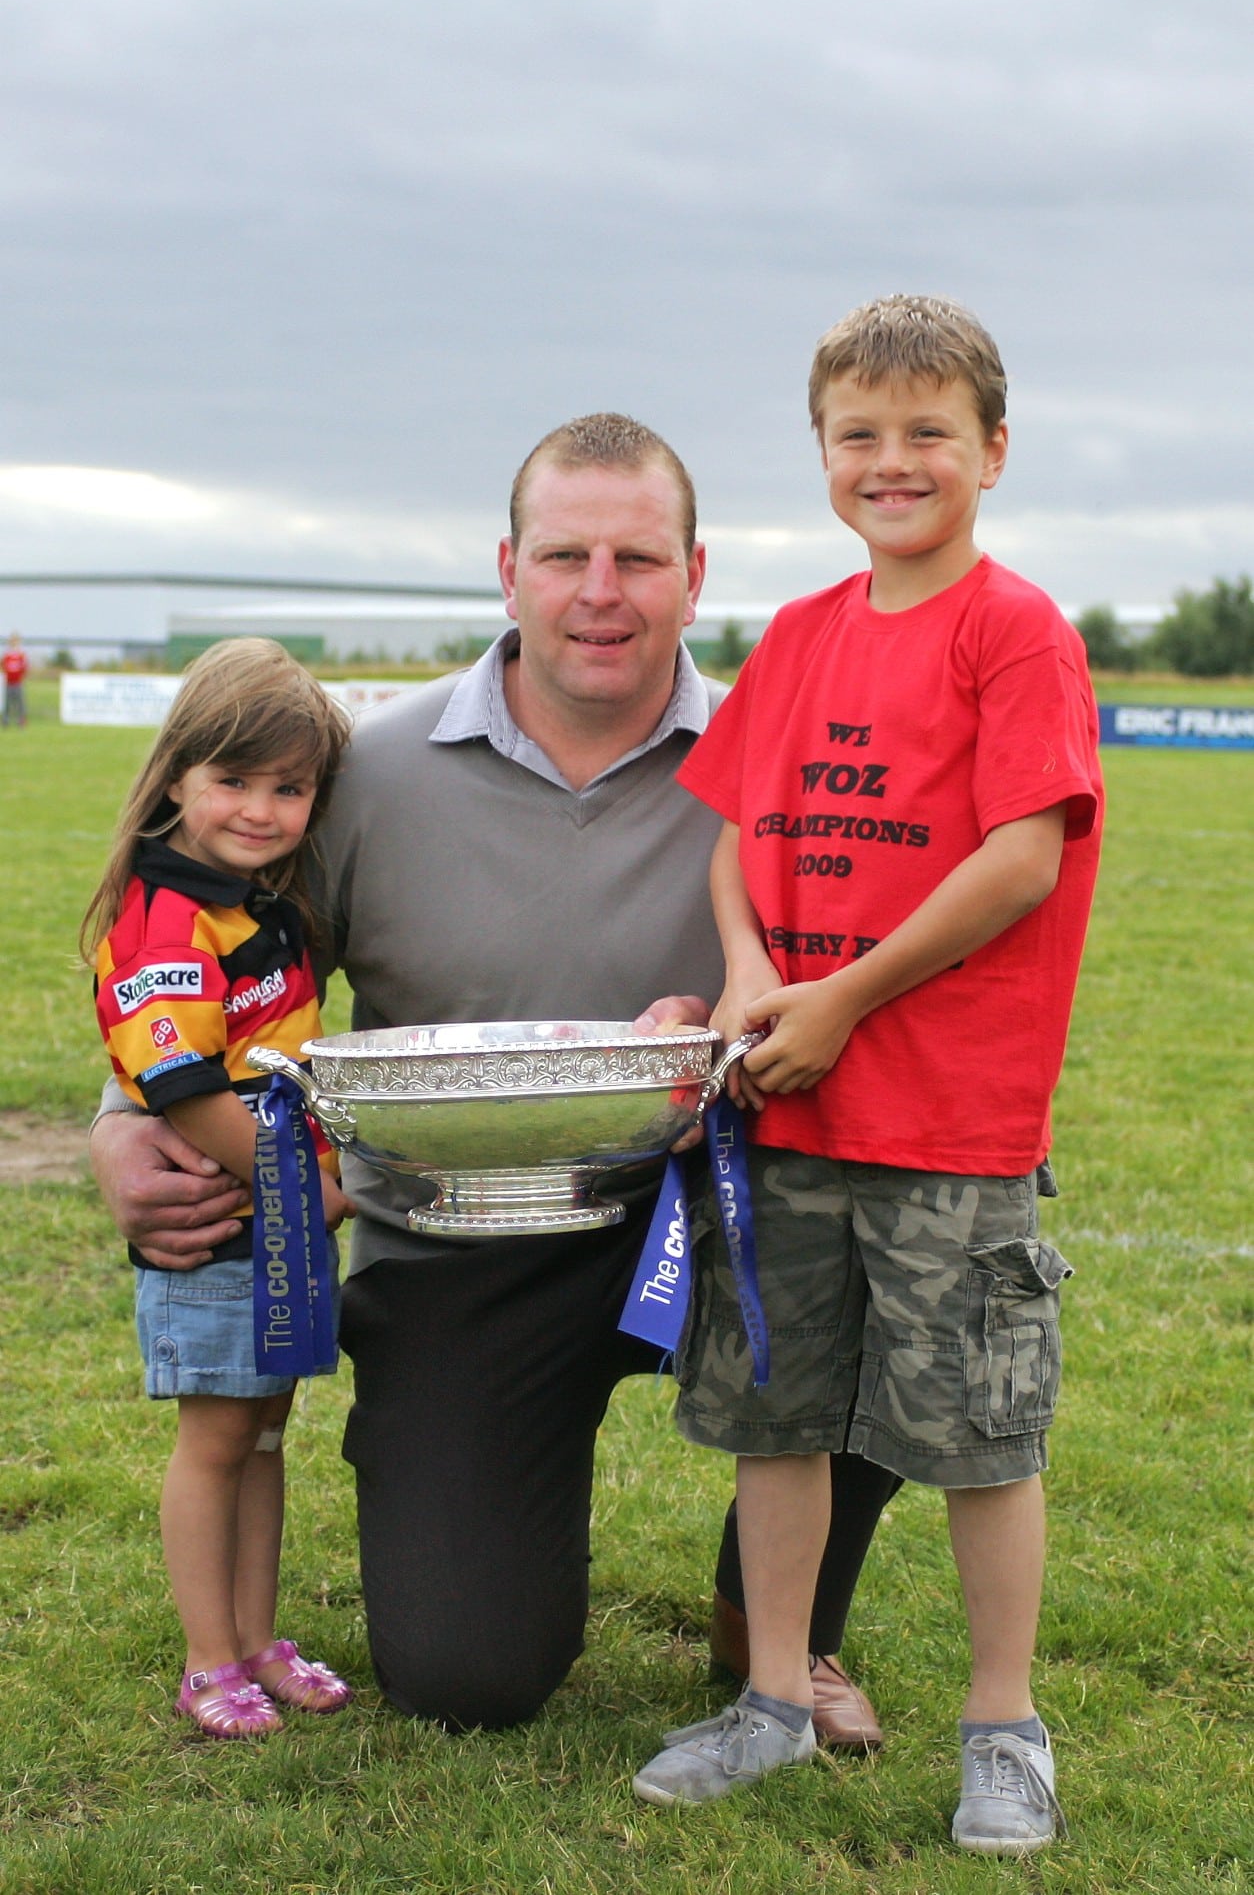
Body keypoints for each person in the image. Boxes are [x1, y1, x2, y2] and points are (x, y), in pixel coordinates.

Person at [90, 415, 900, 1738]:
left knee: (913, 1231)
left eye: (636, 559)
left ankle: (780, 1621)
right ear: (506, 567)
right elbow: (216, 965)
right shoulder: (364, 775)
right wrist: (123, 1128)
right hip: (461, 1235)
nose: (598, 593)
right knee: (470, 1675)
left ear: (695, 576)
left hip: (710, 1213)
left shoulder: (784, 765)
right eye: (565, 554)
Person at [631, 299, 1103, 1857]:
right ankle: (769, 1696)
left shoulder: (1012, 629)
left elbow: (1022, 856)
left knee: (977, 1434)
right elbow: (731, 838)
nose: (891, 462)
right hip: (790, 1108)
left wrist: (844, 996)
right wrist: (762, 975)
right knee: (777, 1417)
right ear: (822, 448)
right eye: (859, 435)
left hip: (948, 1127)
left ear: (991, 452)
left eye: (927, 434)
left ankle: (1002, 1729)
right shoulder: (804, 634)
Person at [82, 638, 356, 1738]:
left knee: (266, 1433)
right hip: (223, 1233)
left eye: (289, 787)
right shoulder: (162, 918)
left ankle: (256, 1636)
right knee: (213, 1442)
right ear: (177, 778)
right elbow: (186, 1091)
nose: (261, 808)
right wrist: (309, 1188)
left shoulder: (259, 904)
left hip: (280, 1228)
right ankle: (208, 1661)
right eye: (234, 780)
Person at [2, 632, 28, 726]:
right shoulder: (7, 655)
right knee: (7, 703)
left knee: (20, 703)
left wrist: (22, 677)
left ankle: (21, 720)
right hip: (8, 682)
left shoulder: (21, 655)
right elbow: (3, 666)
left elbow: (24, 667)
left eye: (15, 641)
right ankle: (5, 720)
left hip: (18, 682)